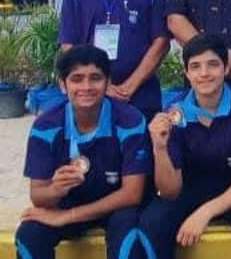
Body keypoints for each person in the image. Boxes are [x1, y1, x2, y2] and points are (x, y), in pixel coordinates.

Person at [138, 34, 231, 259]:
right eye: (195, 66)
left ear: (225, 68)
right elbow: (170, 191)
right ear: (187, 73)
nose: (204, 73)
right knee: (152, 222)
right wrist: (159, 148)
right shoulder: (174, 111)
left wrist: (204, 213)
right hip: (191, 190)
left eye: (213, 64)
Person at [15, 45, 149, 259]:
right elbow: (38, 196)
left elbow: (132, 194)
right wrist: (56, 189)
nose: (86, 87)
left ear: (108, 83)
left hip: (115, 206)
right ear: (63, 85)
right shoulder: (46, 126)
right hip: (67, 204)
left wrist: (69, 216)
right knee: (29, 234)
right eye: (77, 79)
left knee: (129, 229)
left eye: (95, 78)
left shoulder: (130, 120)